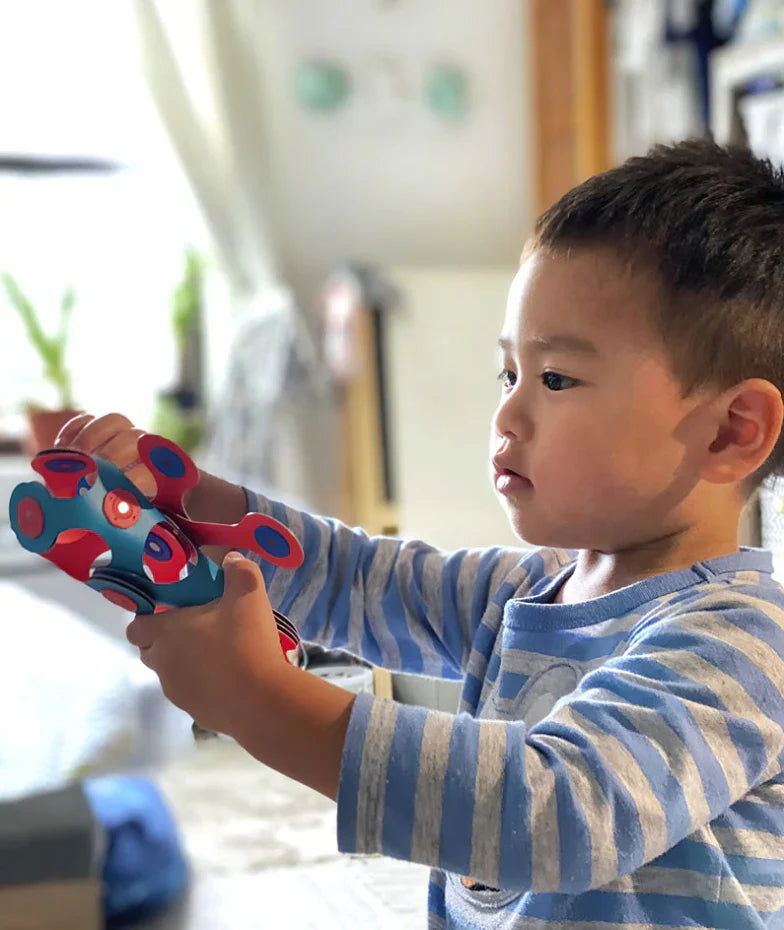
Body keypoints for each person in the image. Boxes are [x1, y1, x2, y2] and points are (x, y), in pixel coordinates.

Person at [56, 138, 784, 928]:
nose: (507, 412)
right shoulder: (525, 591)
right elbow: (354, 577)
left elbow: (551, 812)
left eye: (557, 379)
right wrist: (195, 498)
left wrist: (264, 704)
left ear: (729, 433)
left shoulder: (743, 645)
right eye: (508, 374)